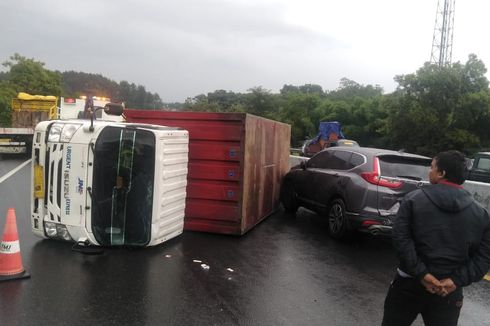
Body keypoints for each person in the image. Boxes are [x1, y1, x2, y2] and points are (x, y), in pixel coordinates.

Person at [382, 150, 490, 326]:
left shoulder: (413, 200)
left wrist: (422, 274)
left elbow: (401, 239)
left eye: (432, 167)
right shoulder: (481, 214)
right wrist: (456, 281)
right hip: (448, 291)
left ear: (442, 173)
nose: (429, 171)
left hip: (408, 284)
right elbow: (484, 257)